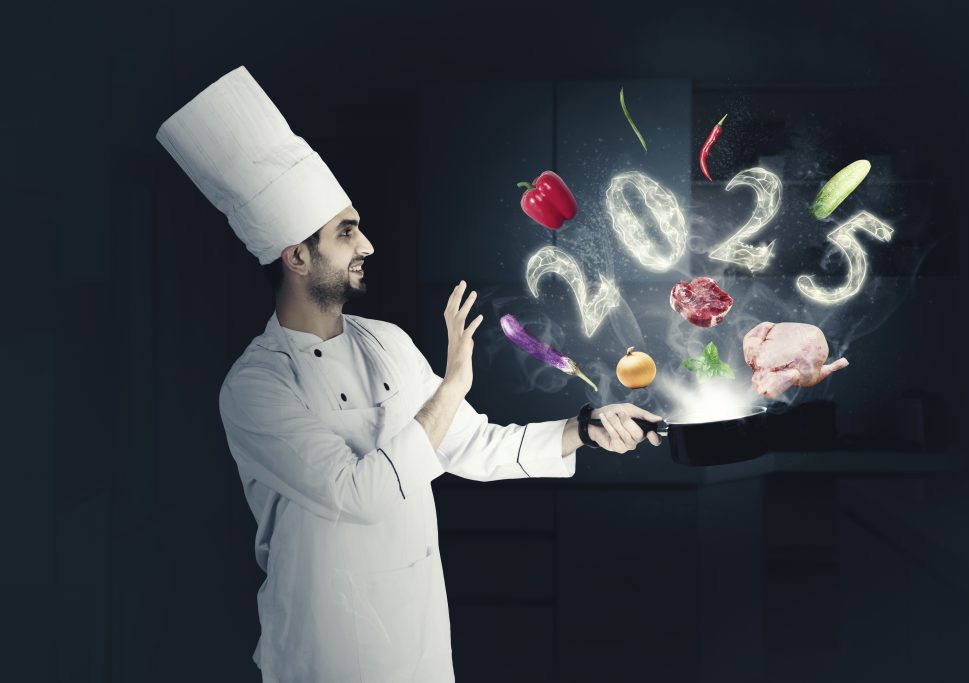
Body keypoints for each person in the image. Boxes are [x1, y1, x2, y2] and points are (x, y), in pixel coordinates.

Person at [157, 66, 662, 683]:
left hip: (417, 644)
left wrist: (584, 427)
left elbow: (472, 445)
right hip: (325, 653)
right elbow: (358, 492)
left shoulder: (387, 343)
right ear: (297, 256)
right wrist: (451, 386)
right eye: (346, 233)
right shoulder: (257, 386)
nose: (367, 244)